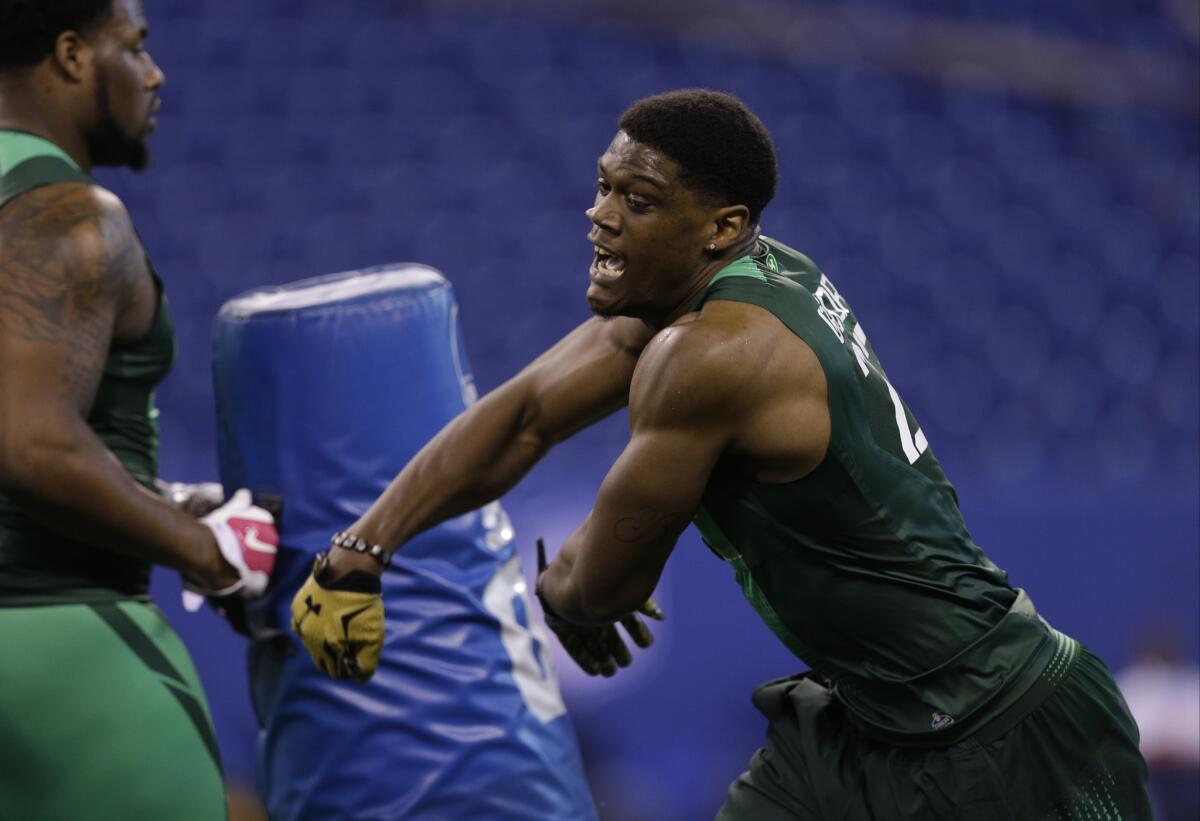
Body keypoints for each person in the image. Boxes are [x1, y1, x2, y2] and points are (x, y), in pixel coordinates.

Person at [290, 88, 1152, 819]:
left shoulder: (712, 353)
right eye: (602, 186)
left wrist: (565, 590)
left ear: (721, 225)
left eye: (637, 198)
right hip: (861, 720)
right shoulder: (714, 289)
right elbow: (525, 416)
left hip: (1001, 722)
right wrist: (361, 548)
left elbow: (602, 586)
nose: (599, 213)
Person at [0, 2, 278, 819]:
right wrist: (204, 548)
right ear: (72, 55)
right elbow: (32, 443)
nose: (154, 74)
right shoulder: (68, 212)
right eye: (136, 47)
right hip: (58, 647)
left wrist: (159, 499)